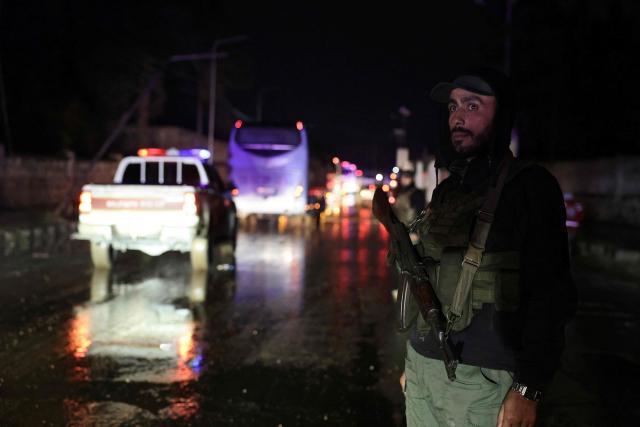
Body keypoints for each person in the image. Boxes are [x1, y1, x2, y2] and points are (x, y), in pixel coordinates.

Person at [397, 68, 577, 427]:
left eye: (472, 105)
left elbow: (551, 296)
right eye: (452, 107)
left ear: (503, 114)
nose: (457, 117)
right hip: (423, 370)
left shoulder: (531, 187)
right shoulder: (448, 190)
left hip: (483, 386)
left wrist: (528, 389)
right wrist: (416, 361)